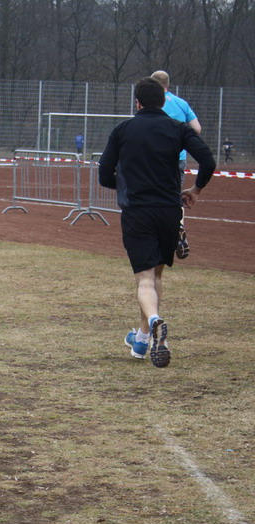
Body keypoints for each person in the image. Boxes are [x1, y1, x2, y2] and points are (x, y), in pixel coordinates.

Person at [98, 78, 215, 368]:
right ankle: (141, 339)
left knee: (144, 278)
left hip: (137, 211)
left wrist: (127, 184)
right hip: (169, 210)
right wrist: (195, 190)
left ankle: (153, 321)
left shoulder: (122, 130)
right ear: (164, 102)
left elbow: (104, 174)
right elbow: (208, 160)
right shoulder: (178, 128)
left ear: (137, 103)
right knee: (157, 276)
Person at [150, 70, 201, 260]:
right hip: (178, 157)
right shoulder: (181, 103)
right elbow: (197, 129)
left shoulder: (152, 103)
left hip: (154, 157)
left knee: (152, 195)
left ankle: (155, 239)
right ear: (168, 84)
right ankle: (177, 228)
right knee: (173, 195)